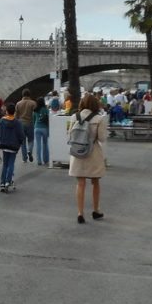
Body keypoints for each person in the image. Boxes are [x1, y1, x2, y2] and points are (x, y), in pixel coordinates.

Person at [69, 93, 107, 222]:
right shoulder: (99, 119)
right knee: (95, 182)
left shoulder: (74, 117)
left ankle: (80, 213)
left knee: (80, 183)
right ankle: (96, 210)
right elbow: (102, 138)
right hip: (93, 153)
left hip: (78, 153)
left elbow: (69, 135)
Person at [0, 102, 24, 192]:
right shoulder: (17, 122)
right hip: (14, 146)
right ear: (14, 112)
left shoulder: (2, 120)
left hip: (4, 144)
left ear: (6, 111)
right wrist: (20, 143)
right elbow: (21, 135)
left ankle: (2, 183)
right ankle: (8, 181)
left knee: (5, 164)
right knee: (11, 163)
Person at [14, 88, 37, 163]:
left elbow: (16, 116)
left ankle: (24, 158)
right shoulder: (33, 103)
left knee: (22, 142)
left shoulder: (18, 103)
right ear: (29, 95)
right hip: (30, 123)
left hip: (21, 124)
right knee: (31, 140)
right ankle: (29, 150)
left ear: (22, 95)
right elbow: (35, 114)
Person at [32, 97, 50, 166]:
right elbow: (48, 119)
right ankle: (46, 160)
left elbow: (33, 119)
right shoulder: (46, 109)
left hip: (37, 128)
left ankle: (39, 161)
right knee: (45, 144)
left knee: (38, 145)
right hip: (44, 128)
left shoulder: (35, 110)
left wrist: (35, 126)